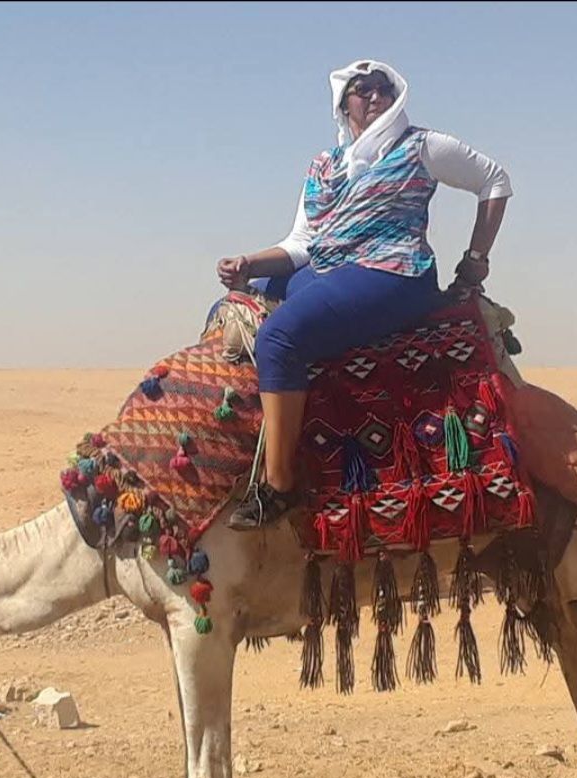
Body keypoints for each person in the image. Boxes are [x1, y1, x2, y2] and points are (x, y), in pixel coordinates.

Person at [219, 59, 513, 530]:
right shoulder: (325, 166)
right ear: (343, 103)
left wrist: (476, 259)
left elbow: (494, 179)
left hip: (393, 273)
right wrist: (249, 264)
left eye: (382, 88)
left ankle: (278, 486)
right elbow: (300, 246)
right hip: (332, 267)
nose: (373, 96)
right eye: (361, 90)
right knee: (242, 300)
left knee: (277, 337)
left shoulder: (421, 145)